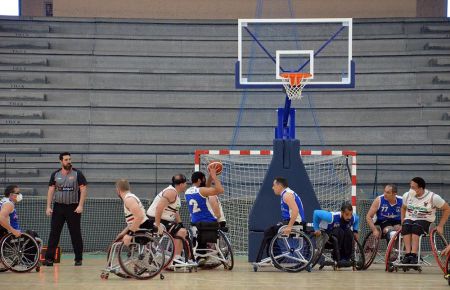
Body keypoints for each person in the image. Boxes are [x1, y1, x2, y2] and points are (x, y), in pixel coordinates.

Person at [44, 152, 87, 267]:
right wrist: (48, 206)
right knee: (54, 233)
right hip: (58, 207)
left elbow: (83, 190)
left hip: (73, 208)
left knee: (75, 233)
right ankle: (49, 259)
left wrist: (80, 205)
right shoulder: (55, 174)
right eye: (66, 159)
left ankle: (78, 258)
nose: (69, 161)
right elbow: (51, 191)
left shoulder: (78, 174)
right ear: (61, 161)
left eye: (70, 159)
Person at [401, 177, 450, 264]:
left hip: (426, 220)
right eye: (410, 187)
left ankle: (414, 254)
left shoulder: (433, 197)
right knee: (405, 225)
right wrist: (402, 220)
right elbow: (403, 208)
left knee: (416, 226)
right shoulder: (407, 195)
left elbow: (447, 209)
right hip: (410, 218)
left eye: (413, 187)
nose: (410, 189)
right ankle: (408, 254)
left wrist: (440, 225)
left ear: (420, 188)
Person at [255, 177, 305, 262]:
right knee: (270, 232)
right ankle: (276, 256)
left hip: (295, 223)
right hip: (291, 222)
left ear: (279, 185)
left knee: (268, 232)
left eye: (274, 185)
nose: (272, 187)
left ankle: (263, 259)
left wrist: (289, 227)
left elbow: (295, 210)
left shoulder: (287, 195)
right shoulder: (286, 194)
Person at [147, 174, 189, 263]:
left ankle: (174, 255)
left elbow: (175, 210)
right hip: (155, 219)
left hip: (163, 220)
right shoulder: (171, 192)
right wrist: (157, 225)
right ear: (181, 184)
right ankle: (175, 259)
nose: (186, 185)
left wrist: (180, 223)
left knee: (181, 229)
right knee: (181, 232)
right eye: (185, 183)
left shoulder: (175, 193)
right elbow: (159, 208)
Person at [115, 179, 153, 246]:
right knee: (121, 238)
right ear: (129, 188)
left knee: (125, 239)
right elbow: (133, 222)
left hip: (142, 228)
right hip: (140, 227)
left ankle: (133, 253)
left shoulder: (129, 199)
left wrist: (130, 234)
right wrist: (123, 233)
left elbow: (139, 217)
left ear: (118, 190)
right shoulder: (129, 198)